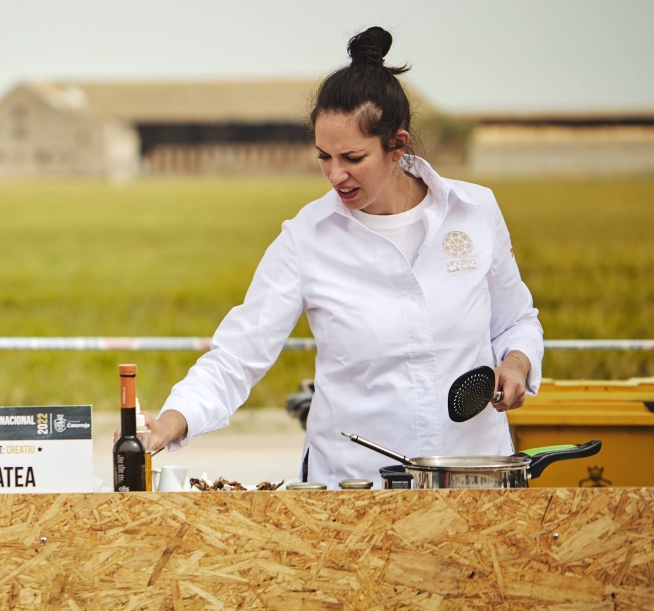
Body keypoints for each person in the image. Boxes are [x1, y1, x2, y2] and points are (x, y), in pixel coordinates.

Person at [138, 27, 542, 488]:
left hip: (477, 477)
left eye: (352, 157)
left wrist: (516, 364)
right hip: (352, 494)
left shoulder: (475, 212)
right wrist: (170, 422)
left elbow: (517, 321)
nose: (335, 174)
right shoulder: (305, 239)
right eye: (323, 156)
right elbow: (238, 355)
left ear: (398, 145)